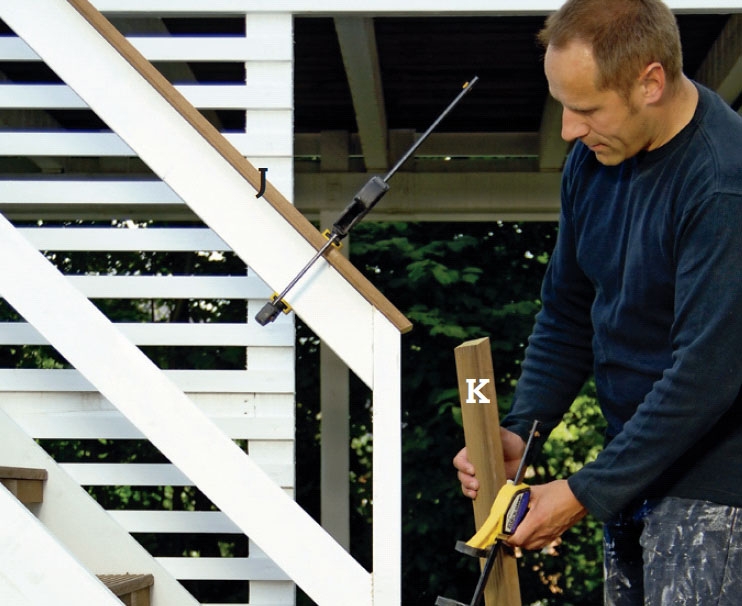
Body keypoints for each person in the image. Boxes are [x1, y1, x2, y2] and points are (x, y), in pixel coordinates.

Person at [453, 0, 742, 603]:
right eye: (563, 105)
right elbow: (567, 312)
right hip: (635, 471)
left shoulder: (722, 183)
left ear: (650, 82)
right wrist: (522, 433)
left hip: (718, 491)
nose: (568, 130)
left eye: (586, 109)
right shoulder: (594, 161)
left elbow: (706, 374)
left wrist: (581, 492)